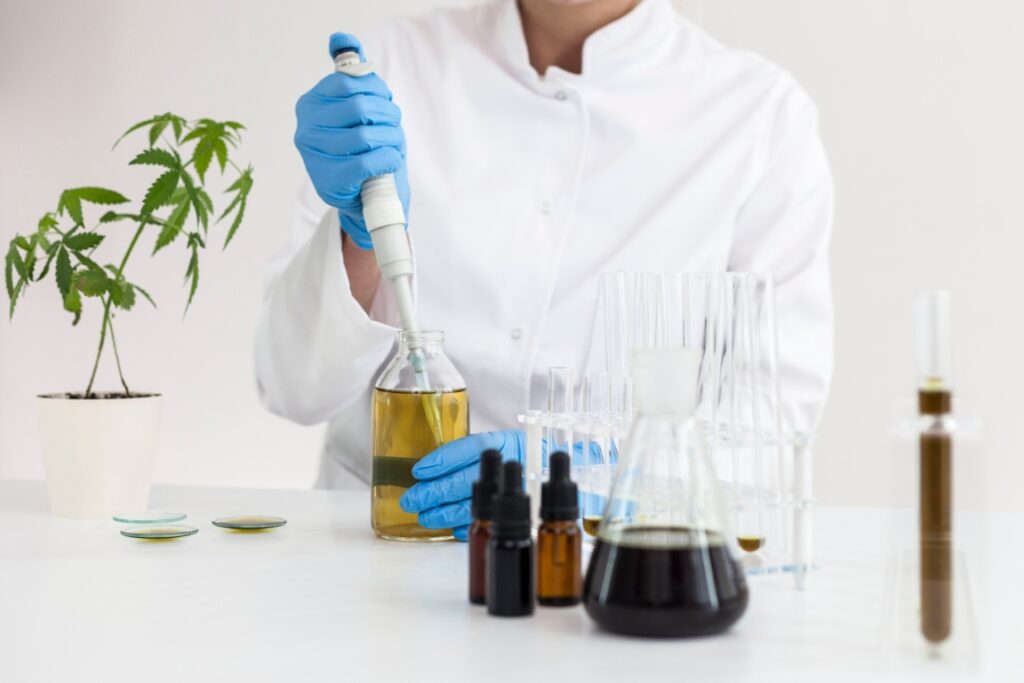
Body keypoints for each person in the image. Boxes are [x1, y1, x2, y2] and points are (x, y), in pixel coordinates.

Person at [255, 0, 833, 540]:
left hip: (609, 563)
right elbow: (293, 389)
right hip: (380, 550)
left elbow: (769, 435)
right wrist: (358, 237)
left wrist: (593, 482)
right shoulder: (399, 67)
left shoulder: (760, 118)